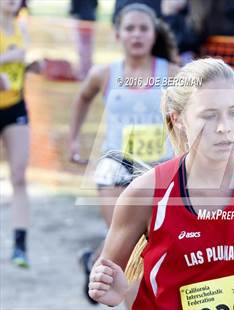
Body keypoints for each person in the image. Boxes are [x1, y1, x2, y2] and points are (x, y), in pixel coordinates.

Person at [87, 58, 234, 309]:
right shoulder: (145, 193)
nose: (225, 127)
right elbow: (110, 278)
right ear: (179, 119)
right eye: (209, 115)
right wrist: (111, 288)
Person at [68, 3, 179, 304]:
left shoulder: (172, 73)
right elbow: (82, 99)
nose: (137, 35)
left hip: (160, 170)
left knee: (153, 243)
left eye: (143, 28)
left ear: (154, 33)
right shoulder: (104, 74)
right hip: (116, 169)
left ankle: (93, 260)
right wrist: (74, 140)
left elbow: (193, 112)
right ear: (118, 35)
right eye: (130, 28)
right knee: (128, 244)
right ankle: (134, 301)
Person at [0, 0, 31, 269]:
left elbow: (19, 68)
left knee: (19, 176)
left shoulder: (22, 27)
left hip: (15, 107)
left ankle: (20, 246)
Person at [69, 0, 98, 79]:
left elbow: (74, 7)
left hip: (81, 19)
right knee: (87, 48)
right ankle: (86, 71)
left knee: (83, 48)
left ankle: (85, 72)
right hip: (89, 18)